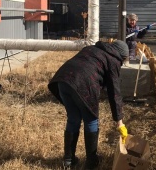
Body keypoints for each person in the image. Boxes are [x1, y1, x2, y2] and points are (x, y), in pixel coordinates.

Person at [48, 40, 129, 170]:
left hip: (63, 80)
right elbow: (114, 93)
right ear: (121, 56)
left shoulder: (91, 48)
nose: (122, 63)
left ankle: (68, 160)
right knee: (91, 120)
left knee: (73, 118)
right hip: (83, 84)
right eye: (123, 60)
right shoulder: (113, 60)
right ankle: (91, 162)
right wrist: (120, 122)